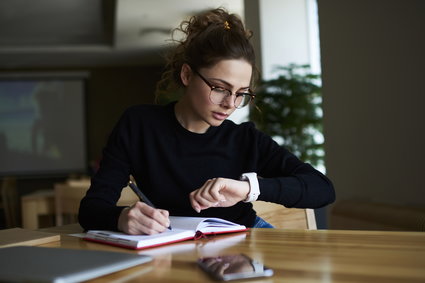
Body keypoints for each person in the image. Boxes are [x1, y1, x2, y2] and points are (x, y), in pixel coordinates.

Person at [78, 8, 335, 235]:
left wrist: (247, 189)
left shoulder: (244, 139)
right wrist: (122, 218)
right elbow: (91, 209)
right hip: (174, 243)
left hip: (246, 238)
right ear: (187, 74)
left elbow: (322, 189)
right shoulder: (139, 125)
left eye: (241, 93)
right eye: (220, 88)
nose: (230, 104)